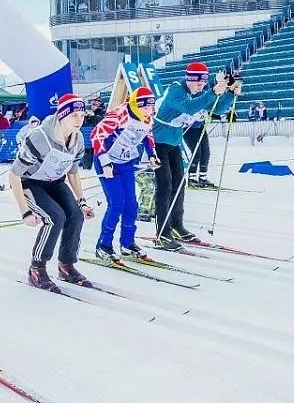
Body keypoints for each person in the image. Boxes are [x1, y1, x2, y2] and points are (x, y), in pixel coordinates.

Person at [9, 94, 95, 292]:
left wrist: (81, 201)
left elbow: (73, 171)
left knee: (75, 215)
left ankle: (66, 265)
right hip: (30, 183)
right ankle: (36, 267)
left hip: (55, 181)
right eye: (74, 115)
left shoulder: (78, 139)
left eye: (82, 115)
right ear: (62, 115)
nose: (80, 120)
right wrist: (25, 212)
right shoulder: (40, 137)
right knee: (55, 217)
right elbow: (14, 176)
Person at [152, 62, 235, 249]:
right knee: (165, 186)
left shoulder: (199, 92)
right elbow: (190, 108)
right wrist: (213, 91)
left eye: (203, 83)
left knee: (180, 185)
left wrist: (230, 92)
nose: (200, 86)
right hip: (156, 143)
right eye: (197, 83)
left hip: (174, 142)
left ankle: (177, 225)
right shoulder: (176, 90)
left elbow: (217, 109)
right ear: (188, 79)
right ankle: (162, 232)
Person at [90, 86, 157, 260]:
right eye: (145, 107)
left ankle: (127, 243)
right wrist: (105, 162)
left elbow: (148, 135)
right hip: (107, 161)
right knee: (117, 203)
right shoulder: (119, 114)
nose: (149, 111)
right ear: (135, 105)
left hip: (126, 161)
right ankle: (103, 245)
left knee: (131, 205)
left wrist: (152, 156)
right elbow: (96, 135)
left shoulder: (148, 117)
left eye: (151, 106)